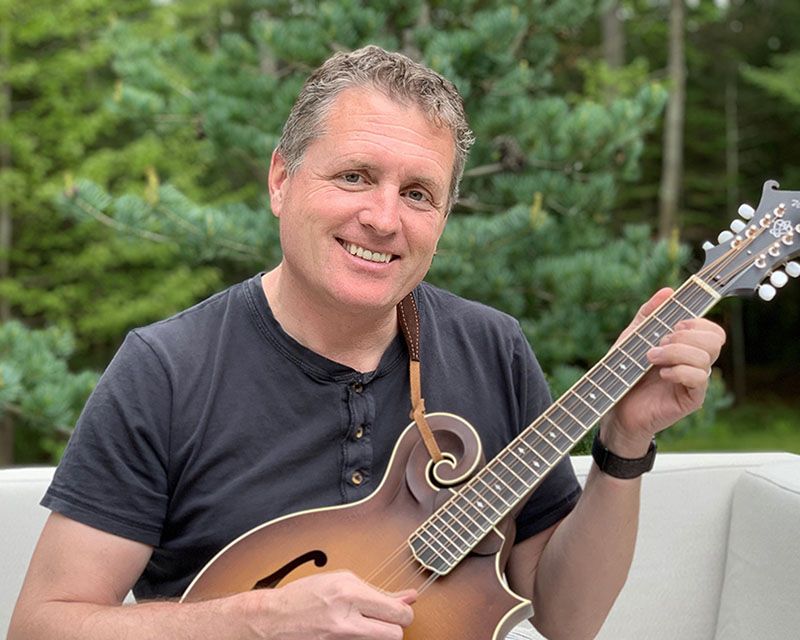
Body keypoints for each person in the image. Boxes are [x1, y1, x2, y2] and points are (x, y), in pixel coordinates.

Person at [9, 45, 725, 640]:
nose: (383, 218)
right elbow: (43, 623)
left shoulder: (492, 348)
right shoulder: (166, 371)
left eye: (419, 193)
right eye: (354, 176)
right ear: (282, 181)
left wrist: (625, 440)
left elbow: (569, 619)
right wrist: (252, 619)